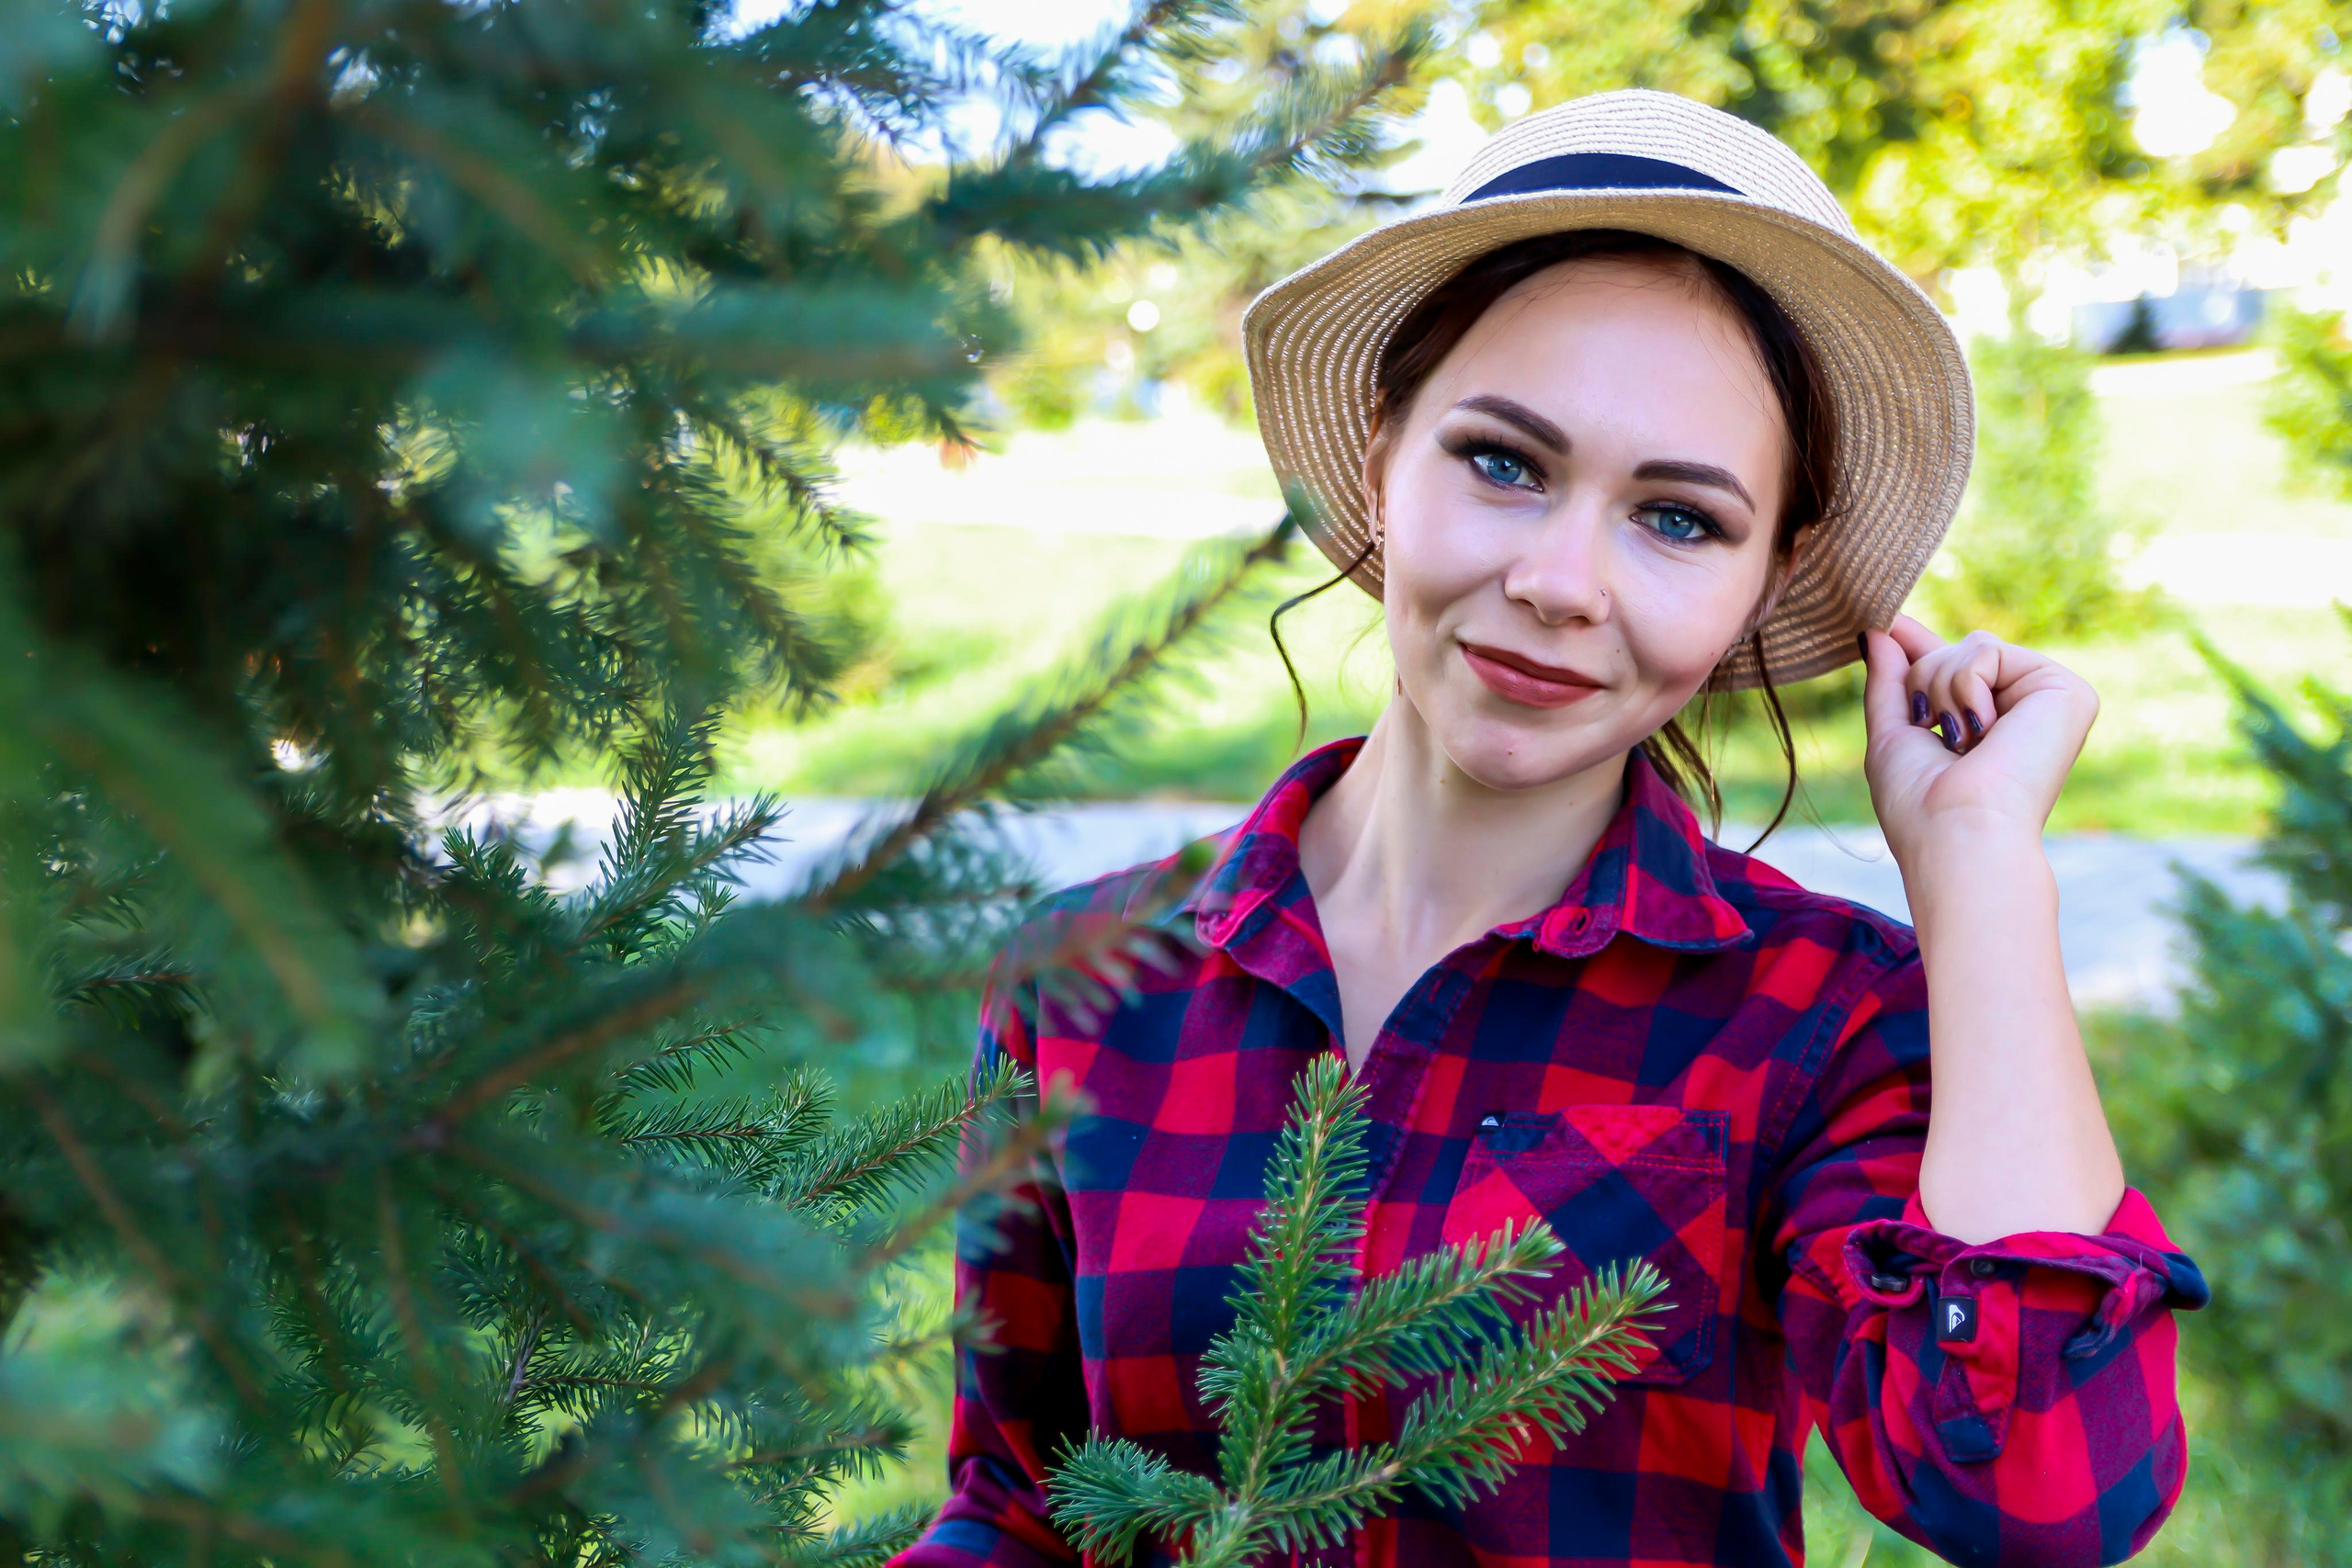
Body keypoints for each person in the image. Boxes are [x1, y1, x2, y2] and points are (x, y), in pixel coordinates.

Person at [891, 90, 2207, 1568]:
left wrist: (1979, 867)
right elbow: (1015, 1502)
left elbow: (2038, 1501)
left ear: (1769, 577)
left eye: (1681, 520)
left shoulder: (1823, 1022)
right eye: (1505, 463)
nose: (1563, 582)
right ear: (1383, 453)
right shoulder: (1087, 976)